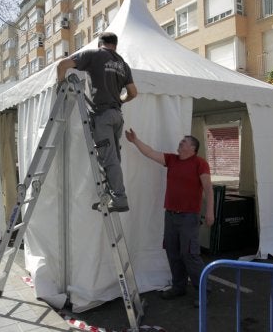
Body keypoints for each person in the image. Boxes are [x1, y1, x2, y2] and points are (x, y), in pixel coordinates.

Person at [124, 128, 215, 306]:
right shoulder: (172, 159)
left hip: (189, 217)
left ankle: (204, 291)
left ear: (193, 148)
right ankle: (179, 286)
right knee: (172, 252)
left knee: (189, 254)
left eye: (184, 141)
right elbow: (150, 152)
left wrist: (210, 211)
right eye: (181, 141)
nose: (180, 143)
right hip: (171, 215)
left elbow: (208, 189)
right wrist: (135, 140)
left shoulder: (200, 163)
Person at [56, 32, 137, 212]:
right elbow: (133, 92)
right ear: (115, 45)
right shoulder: (123, 65)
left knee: (108, 158)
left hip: (103, 115)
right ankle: (112, 194)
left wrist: (60, 85)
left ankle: (119, 198)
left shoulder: (93, 55)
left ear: (100, 43)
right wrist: (120, 100)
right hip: (117, 116)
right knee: (114, 157)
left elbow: (62, 65)